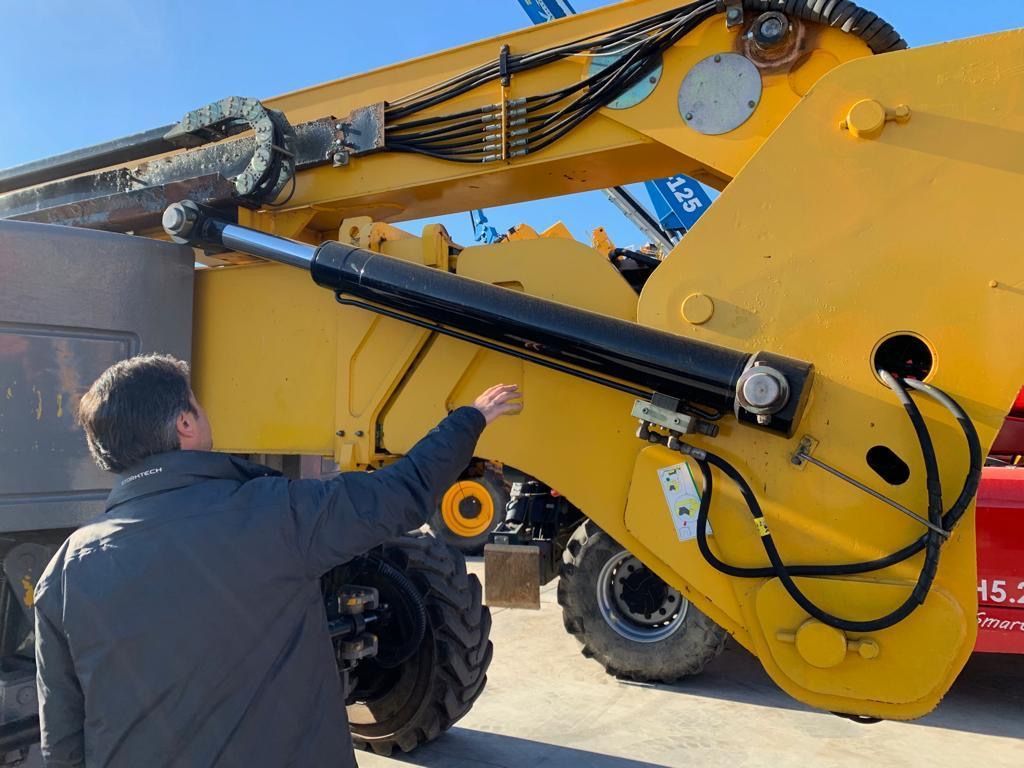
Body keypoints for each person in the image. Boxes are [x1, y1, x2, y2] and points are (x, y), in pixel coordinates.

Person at [34, 353, 521, 767]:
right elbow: (400, 494)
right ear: (185, 423)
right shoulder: (273, 513)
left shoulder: (64, 572)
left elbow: (62, 741)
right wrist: (470, 418)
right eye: (198, 406)